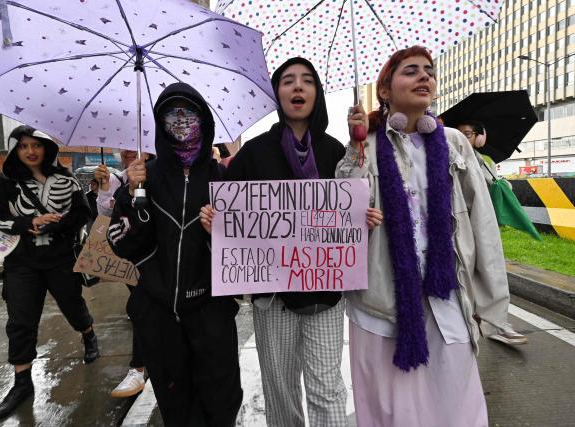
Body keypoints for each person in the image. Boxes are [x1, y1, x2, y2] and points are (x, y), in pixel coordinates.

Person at [338, 45, 519, 426]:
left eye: (429, 71)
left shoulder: (453, 142)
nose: (424, 77)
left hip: (446, 293)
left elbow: (481, 221)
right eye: (411, 71)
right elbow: (340, 218)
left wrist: (490, 298)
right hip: (382, 302)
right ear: (384, 91)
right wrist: (355, 148)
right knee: (391, 408)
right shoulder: (363, 145)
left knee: (456, 402)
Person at [201, 57, 351, 427]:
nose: (297, 87)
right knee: (280, 388)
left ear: (317, 93)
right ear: (276, 93)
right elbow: (231, 211)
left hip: (327, 293)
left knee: (327, 389)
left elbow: (353, 215)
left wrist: (365, 219)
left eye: (307, 81)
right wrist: (217, 224)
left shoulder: (338, 152)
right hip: (274, 297)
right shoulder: (254, 152)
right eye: (288, 81)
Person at [107, 82, 242, 426]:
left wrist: (220, 232)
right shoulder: (143, 179)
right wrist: (135, 196)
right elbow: (123, 244)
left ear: (204, 120)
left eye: (189, 112)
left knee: (221, 400)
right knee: (176, 407)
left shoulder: (223, 179)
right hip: (159, 316)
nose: (181, 120)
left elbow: (243, 247)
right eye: (171, 113)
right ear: (159, 122)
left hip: (212, 315)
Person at [0, 125, 98, 422]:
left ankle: (88, 334)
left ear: (46, 149)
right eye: (23, 146)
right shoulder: (3, 182)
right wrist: (27, 222)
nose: (30, 151)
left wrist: (56, 224)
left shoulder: (66, 178)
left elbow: (83, 213)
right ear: (15, 150)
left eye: (36, 145)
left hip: (59, 257)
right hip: (22, 261)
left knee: (71, 304)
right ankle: (22, 382)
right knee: (20, 320)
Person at [456, 120, 528, 345]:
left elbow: (493, 185)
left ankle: (495, 322)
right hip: (460, 223)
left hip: (483, 222)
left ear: (480, 137)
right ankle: (475, 319)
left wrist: (503, 185)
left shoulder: (484, 161)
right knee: (465, 273)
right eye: (459, 134)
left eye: (468, 134)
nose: (463, 139)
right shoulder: (447, 154)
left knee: (489, 269)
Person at [93, 150, 149, 398]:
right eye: (123, 149)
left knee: (143, 306)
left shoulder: (163, 172)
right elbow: (108, 215)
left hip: (163, 258)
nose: (129, 152)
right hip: (136, 257)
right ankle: (138, 368)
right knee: (140, 306)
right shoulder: (121, 178)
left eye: (133, 148)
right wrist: (110, 189)